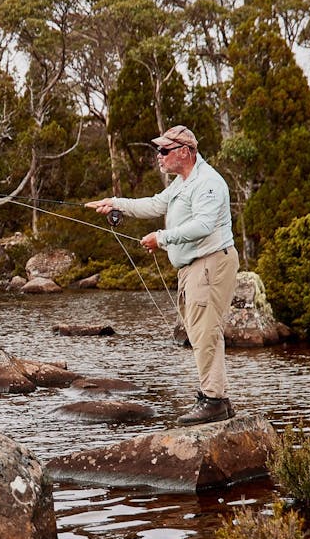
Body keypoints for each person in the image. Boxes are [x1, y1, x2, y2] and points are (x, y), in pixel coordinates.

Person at [85, 125, 239, 424]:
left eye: (164, 150)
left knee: (205, 332)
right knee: (199, 332)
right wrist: (115, 203)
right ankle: (217, 398)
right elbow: (155, 204)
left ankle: (214, 401)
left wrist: (163, 238)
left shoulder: (208, 183)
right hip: (194, 267)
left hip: (211, 264)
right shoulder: (182, 182)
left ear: (185, 152)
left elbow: (204, 226)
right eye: (159, 150)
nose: (159, 156)